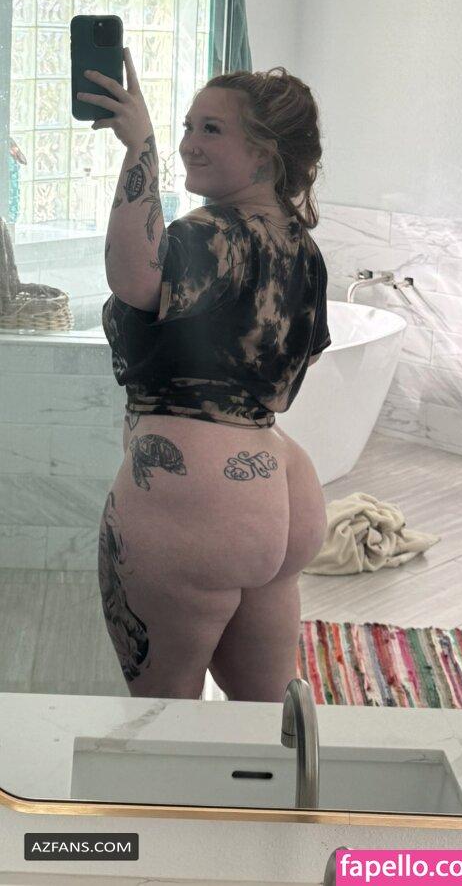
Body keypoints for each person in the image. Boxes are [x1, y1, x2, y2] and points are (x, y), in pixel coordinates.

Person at [77, 47, 331, 701]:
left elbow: (134, 277)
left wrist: (140, 147)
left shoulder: (211, 232)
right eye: (188, 125)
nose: (189, 141)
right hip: (279, 487)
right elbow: (294, 362)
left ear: (265, 155)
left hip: (195, 499)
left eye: (211, 129)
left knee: (164, 719)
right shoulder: (301, 248)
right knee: (266, 723)